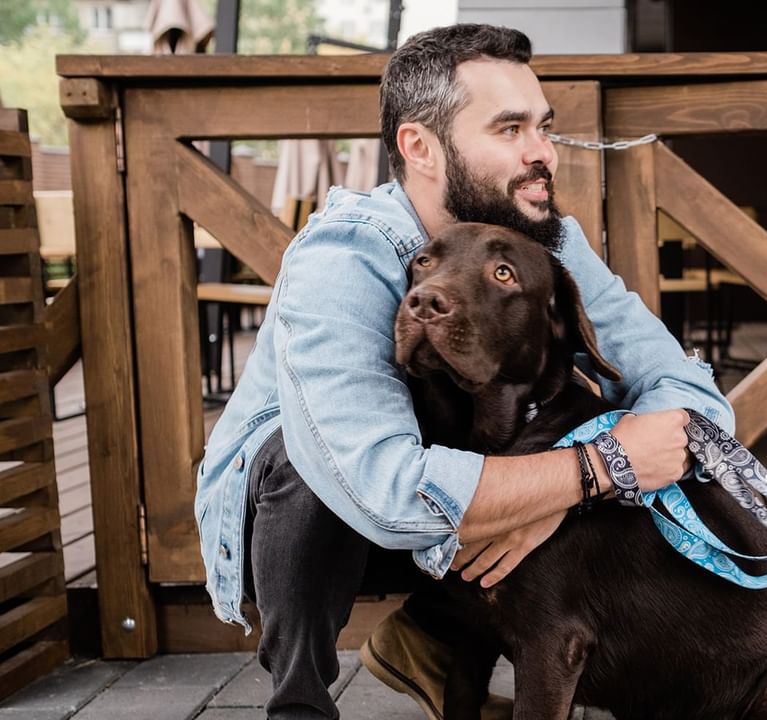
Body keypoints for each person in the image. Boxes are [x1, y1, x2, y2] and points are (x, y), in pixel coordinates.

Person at [194, 23, 734, 720]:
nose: (542, 153)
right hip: (315, 518)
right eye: (510, 129)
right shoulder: (345, 255)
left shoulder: (545, 241)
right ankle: (298, 703)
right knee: (305, 462)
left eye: (544, 128)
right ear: (420, 147)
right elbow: (381, 489)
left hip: (449, 504)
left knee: (571, 424)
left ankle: (434, 636)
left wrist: (583, 481)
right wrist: (594, 471)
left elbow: (692, 398)